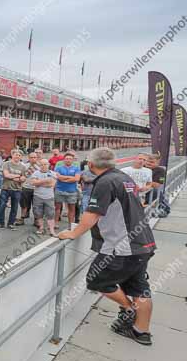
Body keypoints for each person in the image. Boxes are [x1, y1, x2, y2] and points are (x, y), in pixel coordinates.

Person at [58, 147, 156, 346]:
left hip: (122, 247)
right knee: (140, 289)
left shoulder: (104, 182)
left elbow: (92, 214)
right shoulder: (123, 177)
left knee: (97, 281)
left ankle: (129, 310)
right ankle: (141, 332)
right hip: (143, 242)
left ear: (91, 165)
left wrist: (73, 233)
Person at [0, 149, 27, 230]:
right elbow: (6, 175)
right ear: (12, 155)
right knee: (2, 206)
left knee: (14, 207)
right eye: (16, 154)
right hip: (5, 188)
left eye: (19, 155)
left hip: (17, 189)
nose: (17, 156)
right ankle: (1, 223)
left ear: (21, 157)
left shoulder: (23, 166)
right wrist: (18, 176)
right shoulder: (7, 164)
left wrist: (18, 178)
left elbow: (24, 178)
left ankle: (11, 223)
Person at [29, 159, 58, 236]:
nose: (43, 166)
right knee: (38, 213)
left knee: (51, 214)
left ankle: (52, 230)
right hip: (38, 196)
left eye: (45, 164)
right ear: (39, 165)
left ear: (48, 165)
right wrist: (46, 180)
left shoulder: (53, 173)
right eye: (42, 164)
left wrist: (39, 183)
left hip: (49, 197)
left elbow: (51, 184)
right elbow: (33, 183)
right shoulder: (36, 173)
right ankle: (41, 228)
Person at [54, 152, 81, 230]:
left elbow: (77, 179)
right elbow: (57, 177)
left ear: (72, 160)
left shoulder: (76, 168)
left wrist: (63, 178)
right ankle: (55, 223)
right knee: (57, 208)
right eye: (66, 159)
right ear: (64, 160)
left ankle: (70, 225)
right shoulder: (59, 168)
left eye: (70, 159)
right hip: (59, 190)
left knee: (71, 209)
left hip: (72, 191)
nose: (68, 160)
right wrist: (70, 178)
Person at [17, 151, 40, 225]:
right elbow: (20, 175)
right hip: (26, 187)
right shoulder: (24, 166)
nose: (33, 159)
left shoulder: (40, 166)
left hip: (37, 188)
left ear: (37, 158)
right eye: (31, 157)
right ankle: (22, 218)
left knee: (36, 206)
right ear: (28, 158)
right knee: (24, 205)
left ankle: (36, 220)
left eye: (34, 157)